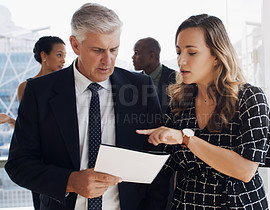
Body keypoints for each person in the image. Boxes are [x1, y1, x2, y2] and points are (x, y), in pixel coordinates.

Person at [5, 3, 171, 210]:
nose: (107, 60)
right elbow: (19, 164)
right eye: (98, 50)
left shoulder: (140, 87)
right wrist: (70, 181)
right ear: (75, 45)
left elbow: (159, 162)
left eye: (114, 49)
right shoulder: (39, 91)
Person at [137, 14, 270, 209]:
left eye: (192, 53)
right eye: (179, 52)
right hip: (186, 203)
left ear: (216, 55)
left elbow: (245, 170)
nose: (181, 61)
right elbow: (166, 167)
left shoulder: (250, 98)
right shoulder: (180, 102)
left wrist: (185, 139)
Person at [0, 36, 66, 130]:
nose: (63, 61)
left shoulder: (66, 85)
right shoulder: (25, 87)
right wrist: (9, 120)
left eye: (64, 56)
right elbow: (26, 129)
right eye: (59, 55)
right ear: (44, 56)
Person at [132, 37, 176, 114]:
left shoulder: (176, 79)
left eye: (136, 53)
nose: (132, 57)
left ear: (151, 56)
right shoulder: (132, 81)